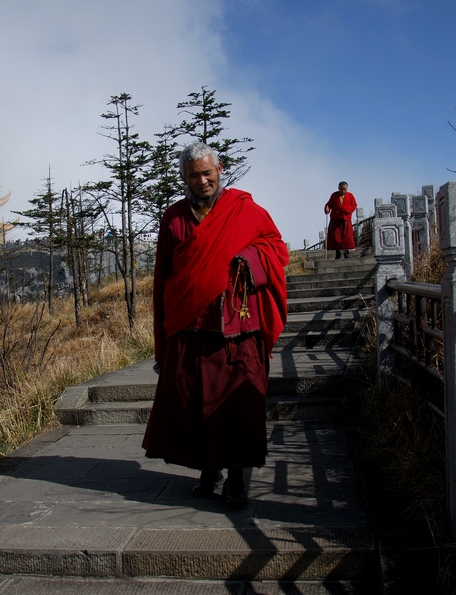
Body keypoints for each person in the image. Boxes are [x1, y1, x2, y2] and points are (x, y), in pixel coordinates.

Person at [142, 142, 289, 509]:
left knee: (236, 405)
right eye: (194, 175)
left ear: (219, 169)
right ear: (184, 177)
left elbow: (276, 246)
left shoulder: (246, 210)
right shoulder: (174, 218)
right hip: (190, 326)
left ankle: (237, 477)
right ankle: (209, 471)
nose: (202, 180)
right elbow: (163, 276)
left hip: (238, 327)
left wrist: (251, 257)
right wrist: (162, 332)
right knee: (194, 405)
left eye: (208, 172)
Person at [324, 181, 358, 258]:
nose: (343, 191)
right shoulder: (334, 195)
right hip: (335, 219)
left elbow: (354, 205)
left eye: (345, 189)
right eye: (342, 189)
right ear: (338, 188)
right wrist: (327, 209)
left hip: (346, 219)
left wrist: (345, 209)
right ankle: (337, 252)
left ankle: (347, 252)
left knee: (347, 237)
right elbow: (329, 204)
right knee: (336, 237)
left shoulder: (350, 195)